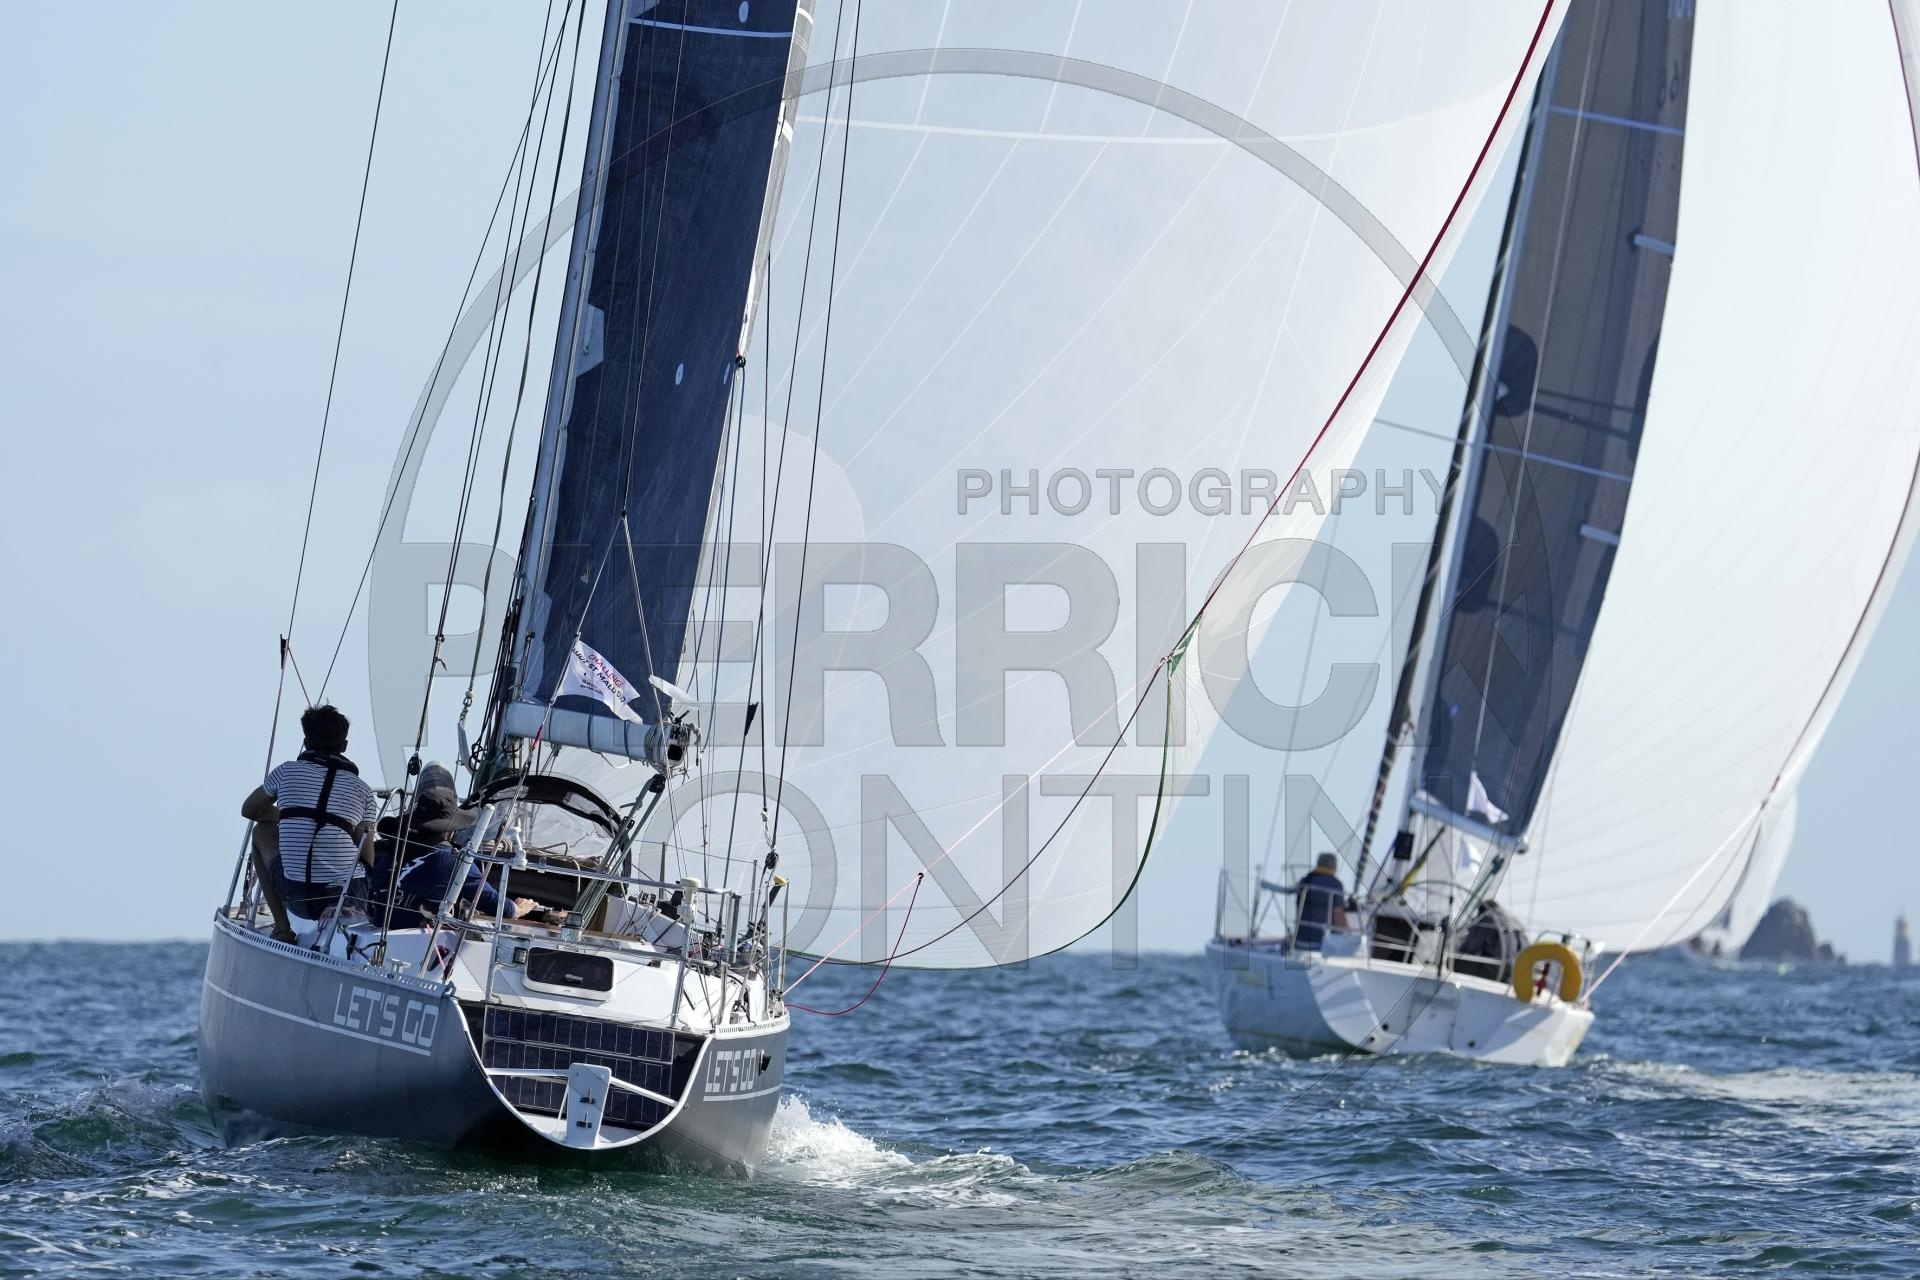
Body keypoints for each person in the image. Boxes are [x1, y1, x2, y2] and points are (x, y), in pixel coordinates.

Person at [240, 704, 380, 921]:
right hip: (349, 896)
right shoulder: (363, 791)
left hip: (298, 898)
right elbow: (367, 854)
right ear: (344, 746)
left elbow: (249, 809)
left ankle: (282, 928)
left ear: (306, 742)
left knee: (260, 832)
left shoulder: (285, 772)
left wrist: (291, 817)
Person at [1293, 852, 1349, 951]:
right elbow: (1338, 915)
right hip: (1320, 943)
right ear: (1334, 867)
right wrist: (1349, 933)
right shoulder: (1335, 884)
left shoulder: (1305, 880)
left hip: (1300, 940)